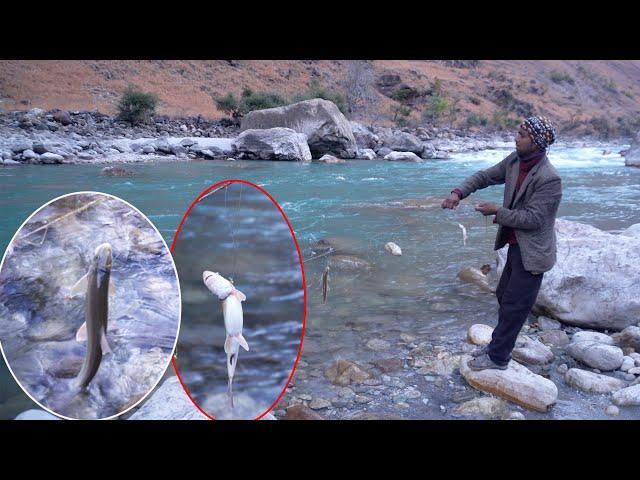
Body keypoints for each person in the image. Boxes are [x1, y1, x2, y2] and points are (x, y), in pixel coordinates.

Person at [442, 115, 562, 371]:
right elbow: (485, 176)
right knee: (503, 295)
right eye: (518, 132)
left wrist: (497, 211)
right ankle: (499, 345)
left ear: (537, 142)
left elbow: (534, 219)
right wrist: (458, 192)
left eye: (522, 134)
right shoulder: (516, 161)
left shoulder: (549, 179)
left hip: (534, 252)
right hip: (516, 245)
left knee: (515, 305)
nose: (516, 137)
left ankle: (498, 358)